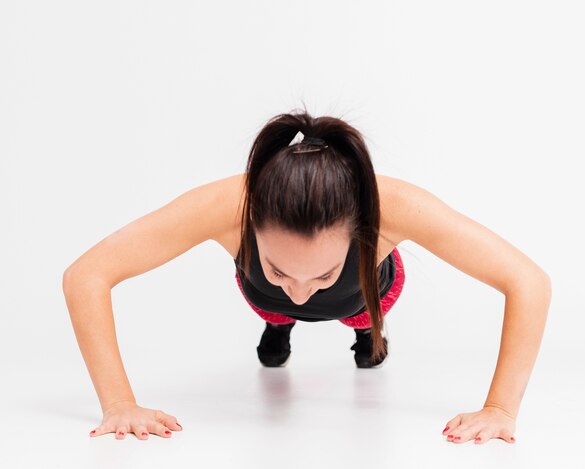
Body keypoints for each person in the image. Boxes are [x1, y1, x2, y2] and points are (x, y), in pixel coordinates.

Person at [62, 109, 551, 444]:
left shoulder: (394, 206)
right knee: (278, 306)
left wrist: (500, 410)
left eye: (321, 273)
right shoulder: (224, 207)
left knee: (365, 328)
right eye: (280, 268)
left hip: (364, 297)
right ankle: (278, 322)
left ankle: (362, 329)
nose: (299, 289)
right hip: (260, 299)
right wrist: (119, 403)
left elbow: (528, 281)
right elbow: (86, 274)